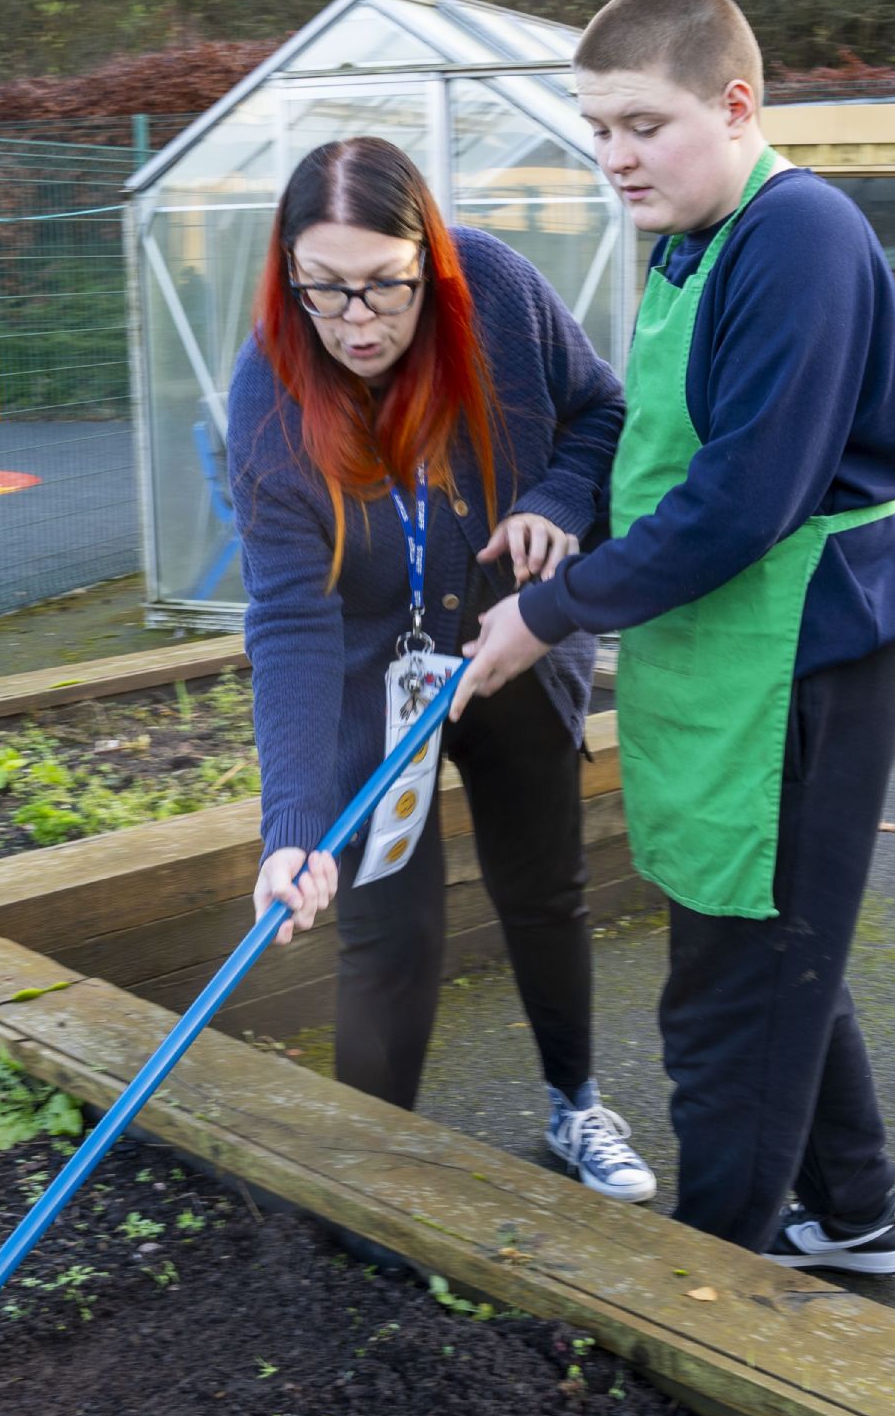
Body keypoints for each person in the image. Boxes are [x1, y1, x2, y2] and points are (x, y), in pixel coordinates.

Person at [453, 0, 895, 1274]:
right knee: (780, 951)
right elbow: (651, 437)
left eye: (643, 124)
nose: (614, 155)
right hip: (731, 652)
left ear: (735, 106)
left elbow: (742, 503)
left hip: (801, 655)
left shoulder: (800, 239)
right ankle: (855, 1214)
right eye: (596, 126)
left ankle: (712, 1288)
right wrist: (569, 512)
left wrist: (544, 617)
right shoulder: (695, 240)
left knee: (731, 991)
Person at [231, 135, 658, 1202]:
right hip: (381, 675)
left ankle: (576, 1101)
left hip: (511, 649)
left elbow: (603, 412)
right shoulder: (271, 393)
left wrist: (558, 504)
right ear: (290, 276)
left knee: (543, 888)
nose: (360, 322)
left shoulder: (500, 295)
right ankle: (369, 1181)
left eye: (386, 286)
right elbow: (287, 619)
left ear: (430, 259)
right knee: (386, 927)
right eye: (325, 292)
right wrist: (290, 830)